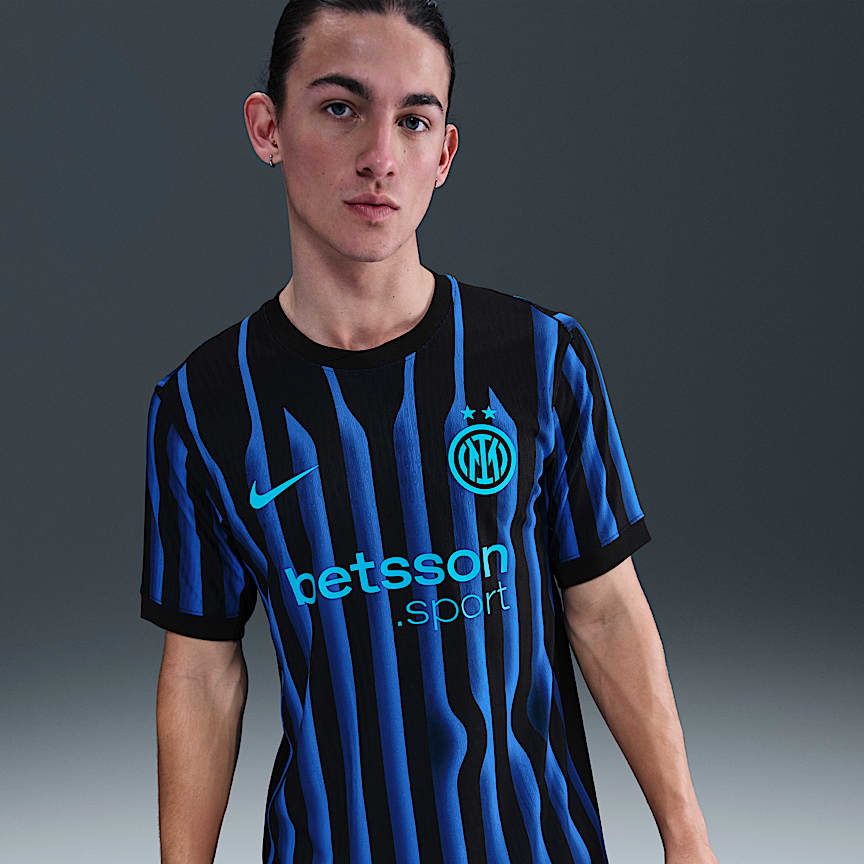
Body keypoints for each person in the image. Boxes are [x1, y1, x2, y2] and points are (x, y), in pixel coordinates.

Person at [139, 2, 718, 862]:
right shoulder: (203, 404)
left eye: (413, 120)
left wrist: (687, 836)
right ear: (268, 128)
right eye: (341, 107)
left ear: (443, 154)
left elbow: (604, 611)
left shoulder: (539, 358)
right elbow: (201, 669)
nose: (380, 155)